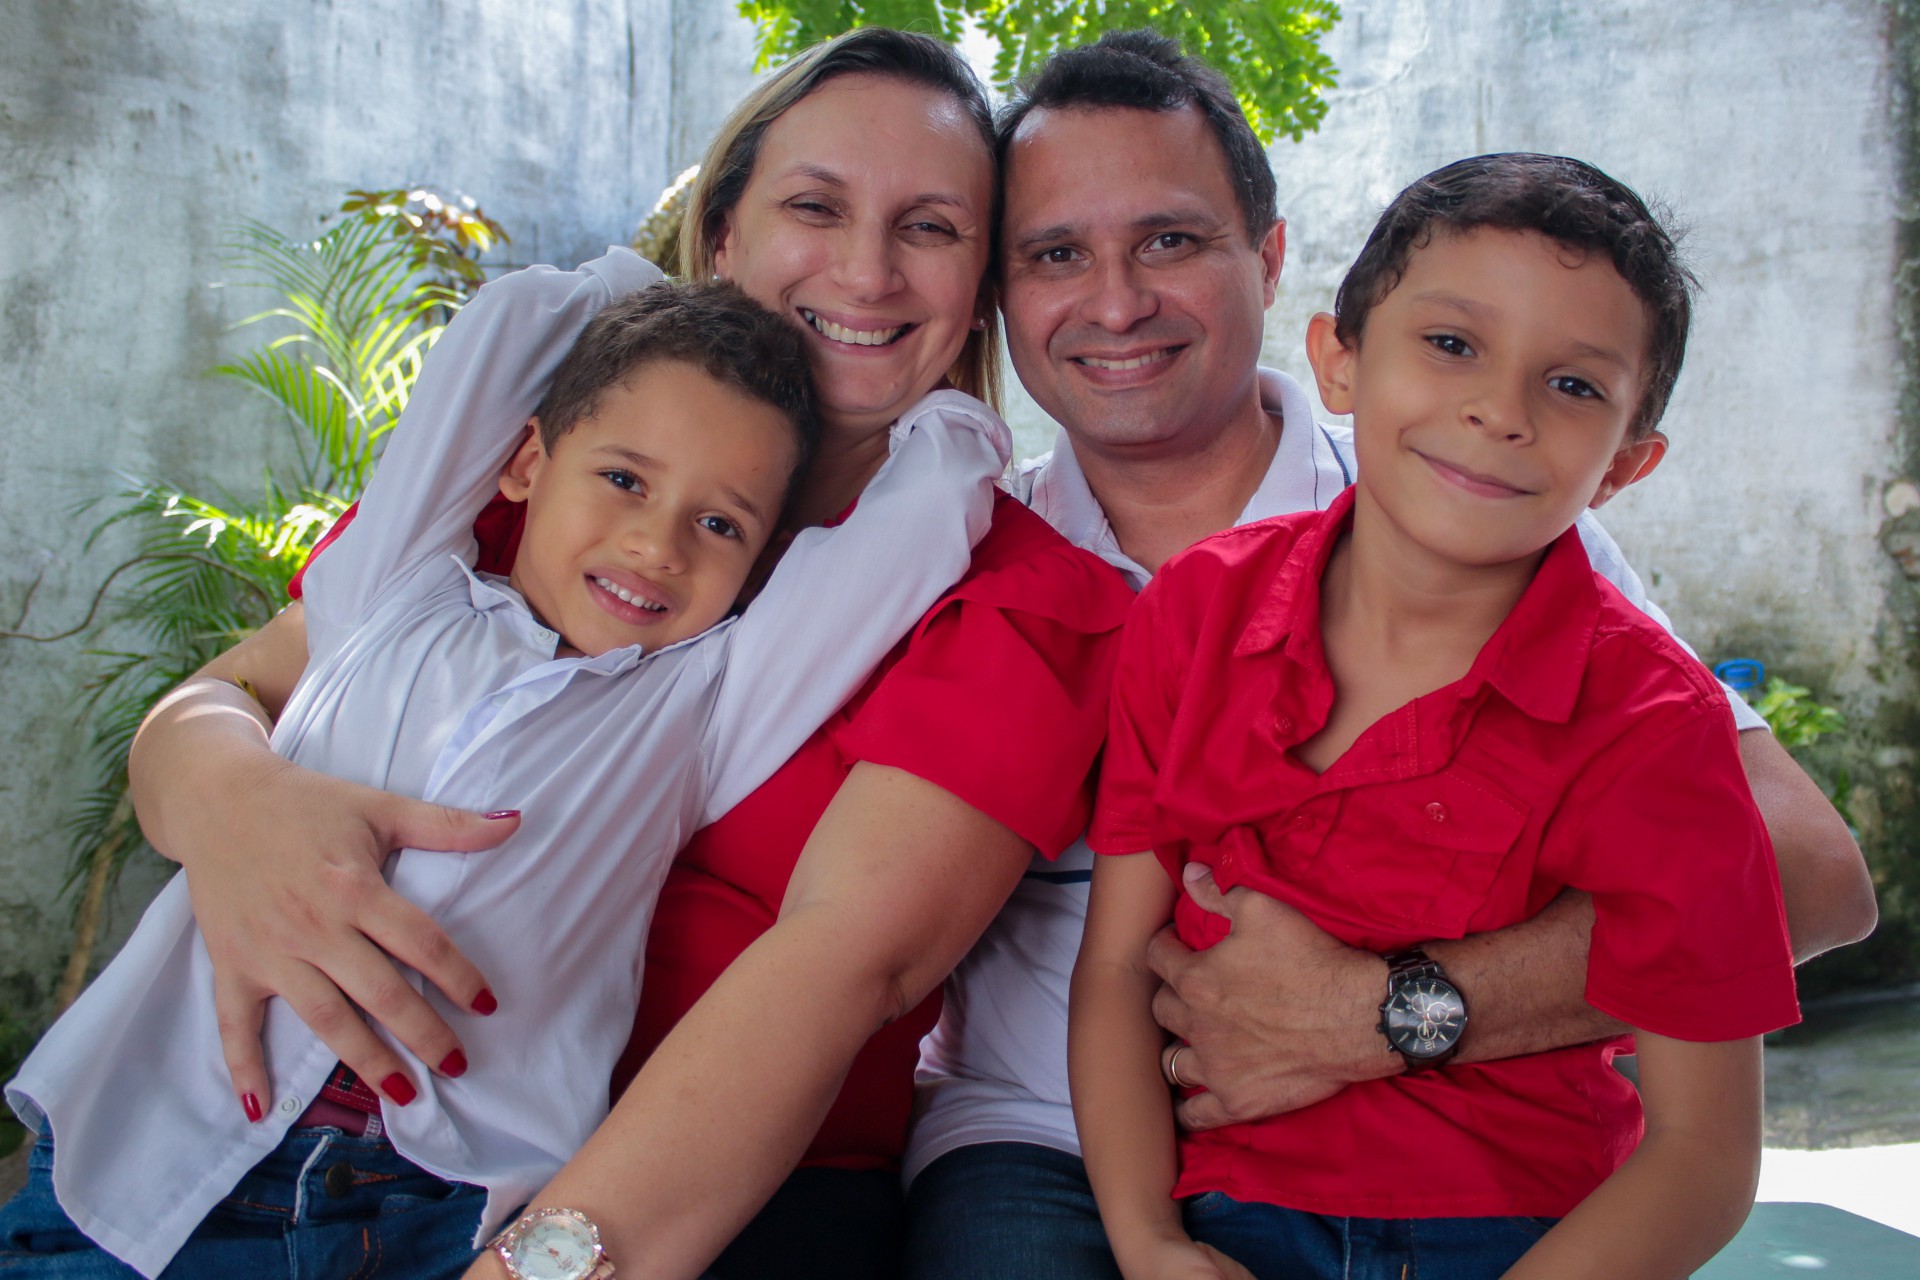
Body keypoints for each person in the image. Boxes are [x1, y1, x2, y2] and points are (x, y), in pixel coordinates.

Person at [111, 26, 1136, 1280]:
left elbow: (841, 965)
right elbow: (228, 696)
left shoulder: (1019, 604)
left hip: (704, 1212)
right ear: (723, 237)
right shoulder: (536, 492)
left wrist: (538, 1264)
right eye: (815, 205)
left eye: (929, 227)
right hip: (263, 1138)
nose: (866, 271)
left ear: (976, 283)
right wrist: (235, 803)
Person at [902, 30, 1874, 1279]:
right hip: (1043, 1137)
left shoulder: (1491, 520)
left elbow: (1812, 881)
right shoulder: (969, 544)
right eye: (1055, 254)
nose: (1115, 300)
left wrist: (1382, 1013)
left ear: (1269, 261)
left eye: (1171, 240)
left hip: (1477, 1168)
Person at [2, 257, 1012, 1278]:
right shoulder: (395, 584)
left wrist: (946, 411)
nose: (656, 544)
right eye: (623, 478)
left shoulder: (703, 704)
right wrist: (635, 285)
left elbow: (920, 523)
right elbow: (509, 325)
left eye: (721, 523)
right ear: (526, 463)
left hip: (420, 1214)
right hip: (145, 1153)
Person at [1077, 152, 1798, 1280]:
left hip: (1526, 1239)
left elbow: (1704, 1150)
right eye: (1453, 343)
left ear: (1628, 464)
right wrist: (1148, 1240)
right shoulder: (1196, 616)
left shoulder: (1654, 716)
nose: (1498, 411)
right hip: (1225, 1221)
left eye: (1573, 386)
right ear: (1338, 358)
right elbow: (1118, 965)